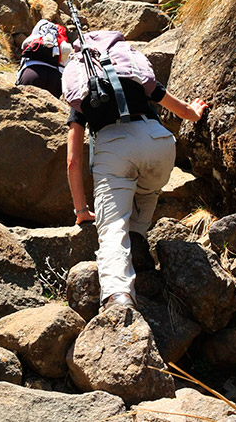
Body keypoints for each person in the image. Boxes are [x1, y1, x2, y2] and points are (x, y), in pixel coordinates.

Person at [66, 53, 208, 310]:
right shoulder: (134, 76)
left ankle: (118, 297)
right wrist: (196, 113)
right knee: (147, 192)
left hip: (113, 148)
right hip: (158, 142)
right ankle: (138, 249)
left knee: (111, 228)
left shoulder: (82, 93)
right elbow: (184, 111)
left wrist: (81, 210)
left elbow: (73, 162)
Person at [16, 20, 72, 98]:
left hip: (31, 73)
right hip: (56, 78)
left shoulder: (37, 35)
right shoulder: (60, 38)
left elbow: (24, 47)